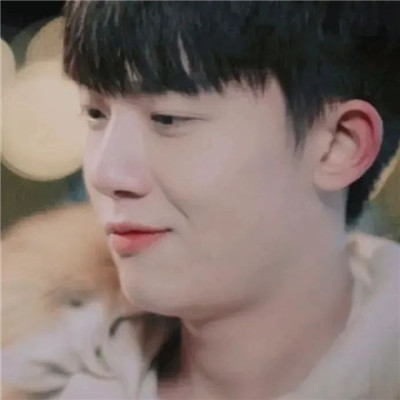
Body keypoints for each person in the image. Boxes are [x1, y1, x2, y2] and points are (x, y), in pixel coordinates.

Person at [62, 1, 400, 399]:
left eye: (169, 119)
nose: (105, 174)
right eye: (96, 114)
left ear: (338, 146)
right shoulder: (34, 372)